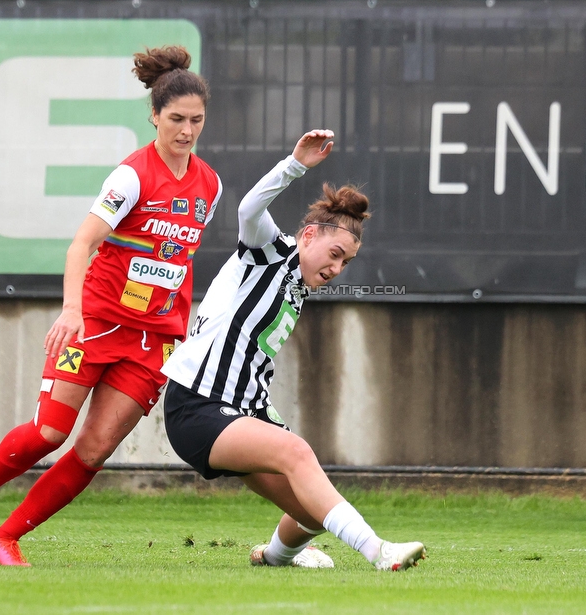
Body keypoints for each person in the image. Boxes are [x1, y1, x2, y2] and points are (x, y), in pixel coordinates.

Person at [0, 45, 222, 567]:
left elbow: (178, 260)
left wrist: (185, 328)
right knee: (50, 433)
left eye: (196, 120)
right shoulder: (131, 176)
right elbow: (81, 245)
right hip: (97, 323)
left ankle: (5, 539)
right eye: (176, 118)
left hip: (154, 340)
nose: (187, 130)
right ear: (154, 115)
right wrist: (71, 311)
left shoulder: (210, 184)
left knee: (92, 450)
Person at [161, 129, 426, 572]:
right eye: (335, 253)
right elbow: (248, 209)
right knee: (299, 454)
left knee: (311, 509)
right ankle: (378, 552)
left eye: (347, 263)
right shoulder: (268, 252)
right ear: (308, 236)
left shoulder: (299, 286)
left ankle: (274, 556)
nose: (337, 268)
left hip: (246, 410)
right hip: (199, 405)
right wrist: (296, 165)